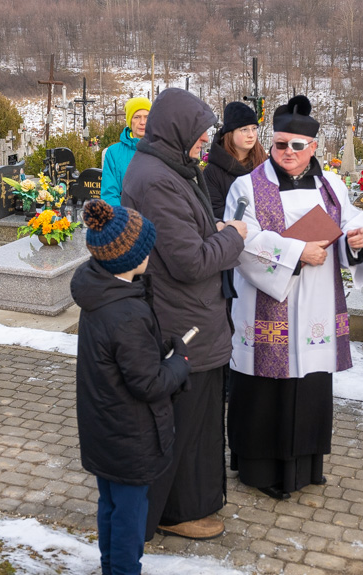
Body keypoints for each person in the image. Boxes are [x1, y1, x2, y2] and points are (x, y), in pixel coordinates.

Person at [225, 95, 363, 500]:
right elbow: (240, 240)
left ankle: (305, 467)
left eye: (297, 146)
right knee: (263, 392)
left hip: (316, 306)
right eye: (279, 144)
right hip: (266, 304)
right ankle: (260, 471)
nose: (287, 153)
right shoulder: (247, 186)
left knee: (308, 386)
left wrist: (359, 241)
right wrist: (295, 254)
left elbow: (351, 225)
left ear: (313, 148)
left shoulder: (332, 185)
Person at [122, 87, 247, 541]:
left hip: (190, 316)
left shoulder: (170, 167)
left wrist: (209, 228)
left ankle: (191, 503)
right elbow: (189, 262)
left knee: (198, 420)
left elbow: (184, 235)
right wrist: (233, 236)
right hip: (183, 321)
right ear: (177, 130)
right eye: (200, 132)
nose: (205, 140)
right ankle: (176, 511)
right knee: (186, 424)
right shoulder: (158, 179)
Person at [71, 199, 191, 575]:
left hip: (103, 427)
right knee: (129, 516)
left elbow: (121, 358)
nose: (150, 253)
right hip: (130, 434)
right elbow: (148, 383)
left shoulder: (100, 292)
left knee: (111, 505)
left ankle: (111, 567)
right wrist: (178, 362)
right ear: (130, 258)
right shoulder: (126, 312)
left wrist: (155, 346)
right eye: (146, 247)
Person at [204, 101, 267, 219]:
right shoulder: (213, 171)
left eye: (254, 128)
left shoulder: (265, 164)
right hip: (233, 232)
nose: (251, 135)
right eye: (244, 129)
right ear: (230, 133)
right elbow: (214, 210)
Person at [101, 97, 151, 206]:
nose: (142, 122)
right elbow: (109, 194)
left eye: (146, 117)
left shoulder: (161, 149)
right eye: (137, 117)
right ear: (129, 121)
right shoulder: (113, 153)